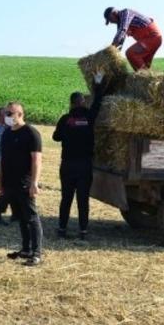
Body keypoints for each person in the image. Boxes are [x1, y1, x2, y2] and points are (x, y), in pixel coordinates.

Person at [51, 76, 106, 240]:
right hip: (84, 165)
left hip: (67, 165)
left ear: (71, 103)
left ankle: (62, 229)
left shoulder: (65, 119)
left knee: (66, 198)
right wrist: (98, 84)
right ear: (82, 102)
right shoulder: (89, 117)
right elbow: (98, 102)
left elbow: (55, 138)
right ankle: (83, 231)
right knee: (83, 199)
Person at [0, 101, 43, 266]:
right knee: (20, 217)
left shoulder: (31, 133)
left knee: (31, 217)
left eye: (10, 114)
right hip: (9, 183)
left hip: (25, 183)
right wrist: (0, 182)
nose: (7, 117)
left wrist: (34, 183)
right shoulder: (6, 133)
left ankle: (37, 253)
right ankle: (26, 249)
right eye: (6, 114)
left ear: (20, 114)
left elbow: (37, 160)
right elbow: (2, 159)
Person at [104, 7, 163, 71]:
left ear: (114, 13)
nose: (111, 22)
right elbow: (121, 39)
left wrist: (111, 49)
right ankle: (145, 79)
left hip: (152, 37)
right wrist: (114, 54)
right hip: (148, 40)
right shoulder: (120, 23)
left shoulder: (125, 13)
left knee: (130, 53)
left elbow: (122, 30)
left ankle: (145, 77)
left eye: (110, 19)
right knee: (143, 64)